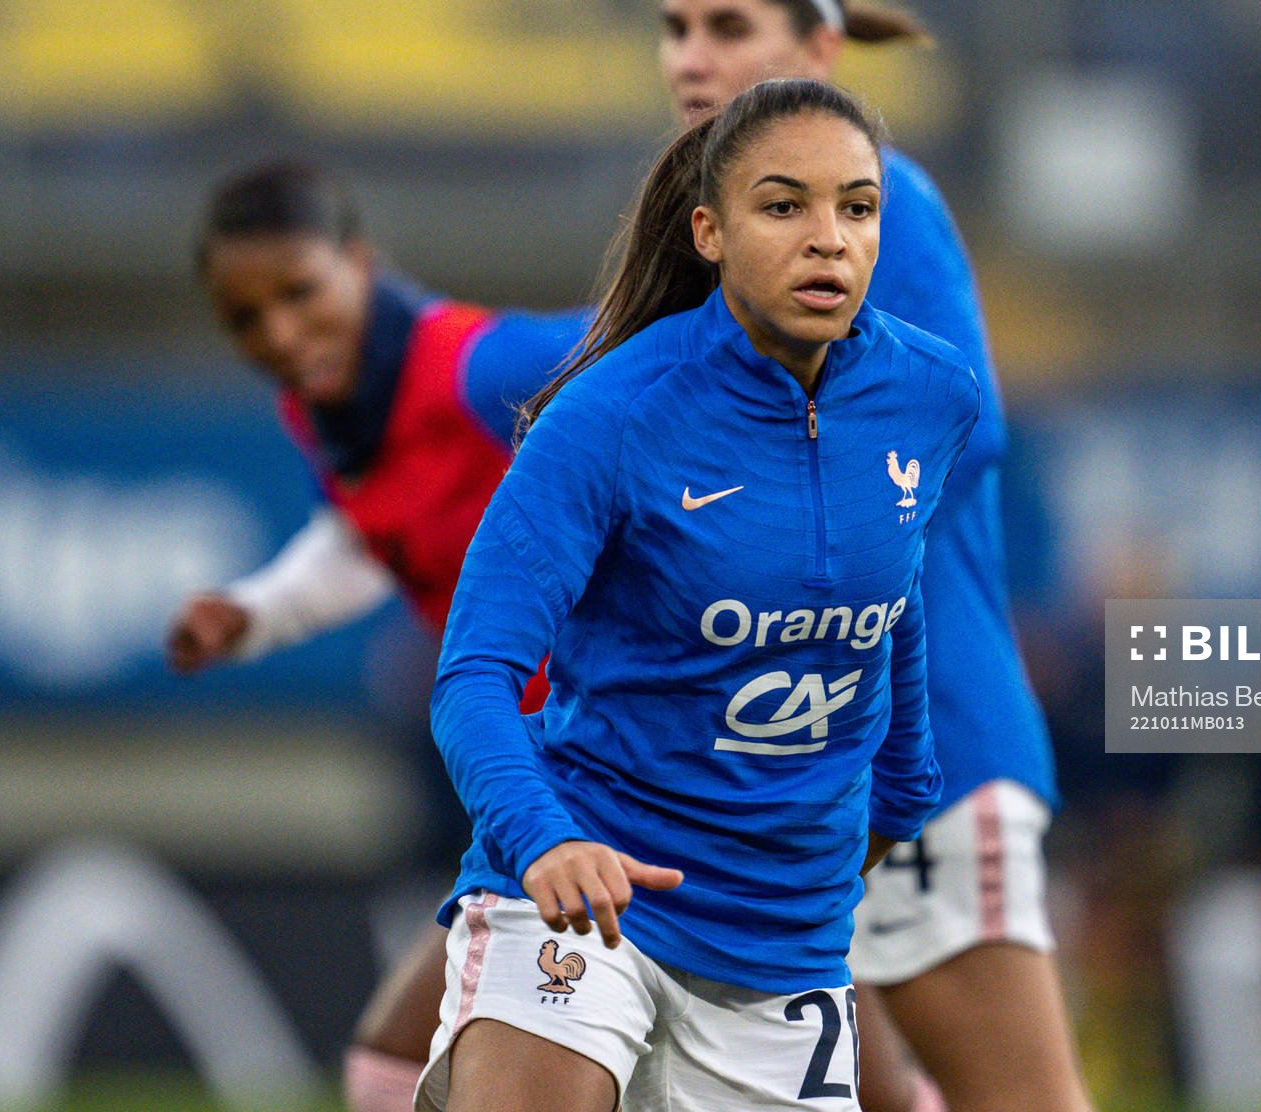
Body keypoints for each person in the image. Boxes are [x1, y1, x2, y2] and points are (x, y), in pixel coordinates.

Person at [416, 77, 975, 1112]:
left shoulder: (931, 395)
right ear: (709, 231)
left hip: (785, 939)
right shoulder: (609, 416)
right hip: (588, 892)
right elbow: (474, 673)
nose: (828, 240)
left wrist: (901, 798)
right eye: (784, 205)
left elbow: (890, 608)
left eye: (856, 208)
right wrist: (543, 839)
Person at [657, 0, 1083, 1112]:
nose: (691, 55)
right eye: (677, 25)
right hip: (787, 761)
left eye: (727, 25)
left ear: (821, 44)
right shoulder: (721, 225)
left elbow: (960, 435)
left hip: (924, 740)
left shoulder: (874, 204)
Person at [165, 159, 587, 1112]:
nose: (278, 332)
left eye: (301, 293)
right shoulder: (324, 408)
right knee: (401, 1065)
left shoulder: (490, 370)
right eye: (245, 319)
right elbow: (373, 535)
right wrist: (256, 613)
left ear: (361, 261)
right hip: (532, 784)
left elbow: (672, 357)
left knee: (403, 1065)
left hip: (607, 767)